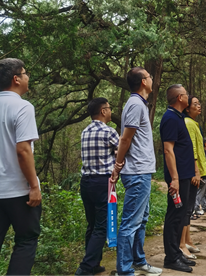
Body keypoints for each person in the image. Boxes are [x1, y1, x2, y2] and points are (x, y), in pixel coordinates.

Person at [0, 58, 41, 276]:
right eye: (25, 73)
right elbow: (23, 150)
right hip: (18, 192)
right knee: (26, 241)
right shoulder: (23, 107)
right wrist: (34, 185)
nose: (27, 77)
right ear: (16, 79)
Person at [110, 67, 162, 276]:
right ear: (143, 81)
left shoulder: (140, 104)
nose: (152, 79)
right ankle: (124, 270)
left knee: (141, 219)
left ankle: (139, 261)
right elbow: (125, 138)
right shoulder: (134, 104)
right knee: (131, 223)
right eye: (149, 76)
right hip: (137, 172)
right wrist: (117, 166)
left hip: (143, 171)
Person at [75, 98, 119, 276]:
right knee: (101, 226)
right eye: (109, 108)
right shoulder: (109, 132)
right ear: (103, 111)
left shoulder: (85, 132)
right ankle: (85, 268)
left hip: (86, 182)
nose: (110, 111)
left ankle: (94, 264)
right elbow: (123, 150)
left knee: (92, 225)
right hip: (102, 182)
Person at [160, 84, 196, 273]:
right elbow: (168, 149)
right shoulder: (170, 118)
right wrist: (174, 178)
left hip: (184, 176)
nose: (188, 96)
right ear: (180, 98)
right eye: (186, 94)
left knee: (180, 215)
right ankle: (171, 257)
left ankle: (176, 252)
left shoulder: (179, 117)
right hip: (177, 177)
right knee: (174, 216)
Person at [180, 95, 206, 259]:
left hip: (195, 170)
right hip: (191, 171)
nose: (199, 106)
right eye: (195, 104)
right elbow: (192, 150)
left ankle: (187, 240)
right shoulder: (188, 123)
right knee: (186, 209)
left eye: (199, 103)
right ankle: (181, 244)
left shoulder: (193, 123)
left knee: (189, 209)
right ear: (187, 108)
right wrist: (196, 171)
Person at [195, 138, 206, 214]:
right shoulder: (201, 152)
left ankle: (205, 205)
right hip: (202, 174)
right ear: (205, 144)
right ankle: (196, 207)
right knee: (200, 191)